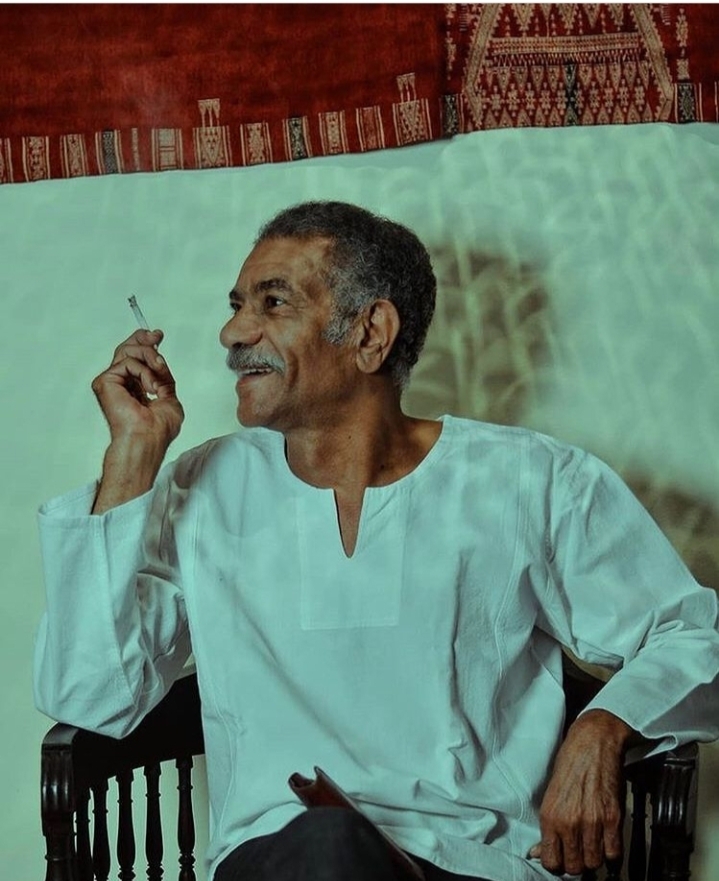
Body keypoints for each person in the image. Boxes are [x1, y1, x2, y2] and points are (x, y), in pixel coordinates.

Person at [34, 201, 719, 881]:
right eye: (237, 305)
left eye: (273, 303)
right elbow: (91, 695)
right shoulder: (202, 486)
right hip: (282, 861)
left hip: (473, 864)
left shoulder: (530, 481)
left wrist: (604, 724)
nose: (232, 332)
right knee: (327, 845)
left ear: (371, 333)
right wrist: (132, 455)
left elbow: (692, 636)